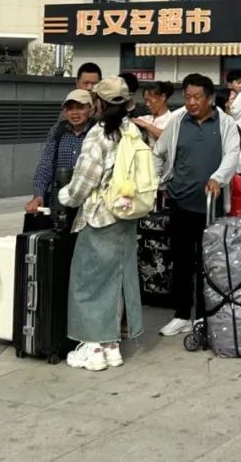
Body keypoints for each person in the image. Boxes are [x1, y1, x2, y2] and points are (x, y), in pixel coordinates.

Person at [57, 77, 143, 371]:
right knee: (115, 282)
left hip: (99, 217)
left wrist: (65, 196)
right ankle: (112, 347)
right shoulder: (132, 132)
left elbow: (84, 181)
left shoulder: (99, 134)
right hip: (127, 216)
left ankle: (93, 348)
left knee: (88, 283)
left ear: (98, 104)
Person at [152, 74, 240, 336]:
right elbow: (159, 152)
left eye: (196, 97)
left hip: (210, 208)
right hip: (180, 203)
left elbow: (232, 156)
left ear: (210, 98)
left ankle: (204, 315)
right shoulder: (178, 122)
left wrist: (218, 178)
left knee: (208, 263)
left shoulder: (225, 123)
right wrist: (157, 182)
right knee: (181, 262)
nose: (191, 102)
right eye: (187, 97)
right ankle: (181, 315)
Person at [27, 89, 94, 214]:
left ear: (91, 110)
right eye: (70, 108)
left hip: (89, 202)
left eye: (80, 108)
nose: (74, 113)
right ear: (64, 112)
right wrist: (38, 194)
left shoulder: (98, 132)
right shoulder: (57, 131)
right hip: (59, 200)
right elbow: (46, 164)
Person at [133, 81, 175, 147]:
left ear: (163, 97)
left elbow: (167, 137)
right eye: (145, 101)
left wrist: (147, 126)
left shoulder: (173, 119)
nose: (147, 104)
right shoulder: (145, 118)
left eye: (150, 100)